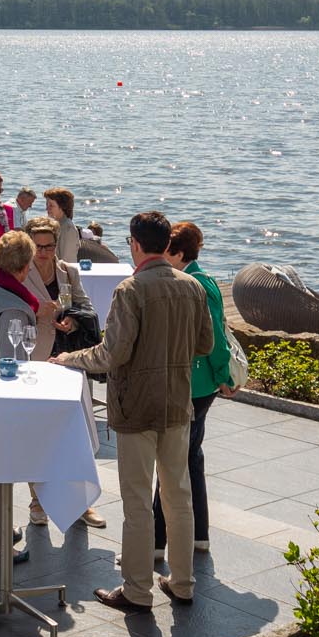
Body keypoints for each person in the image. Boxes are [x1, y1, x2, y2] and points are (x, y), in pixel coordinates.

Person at [54, 212, 213, 614]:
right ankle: (183, 581)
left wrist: (69, 358)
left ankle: (138, 588)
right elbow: (206, 345)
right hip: (177, 402)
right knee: (179, 496)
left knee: (138, 501)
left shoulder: (130, 290)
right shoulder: (192, 287)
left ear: (135, 244)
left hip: (136, 405)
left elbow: (113, 354)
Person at [0, 230, 61, 565]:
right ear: (24, 269)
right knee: (1, 470)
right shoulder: (14, 309)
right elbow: (12, 364)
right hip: (1, 401)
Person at [24, 217, 106, 530]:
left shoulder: (68, 271)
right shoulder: (21, 269)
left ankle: (80, 502)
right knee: (39, 433)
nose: (43, 252)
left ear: (57, 244)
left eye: (48, 245)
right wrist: (37, 312)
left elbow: (87, 308)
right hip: (36, 357)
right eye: (38, 246)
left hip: (68, 358)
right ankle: (37, 500)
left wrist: (72, 320)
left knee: (76, 432)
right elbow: (12, 310)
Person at [162, 220, 234, 557]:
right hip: (199, 383)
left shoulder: (198, 285)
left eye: (165, 251)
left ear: (177, 253)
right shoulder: (198, 280)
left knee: (174, 460)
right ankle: (197, 536)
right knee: (189, 457)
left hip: (197, 382)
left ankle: (157, 541)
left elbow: (216, 336)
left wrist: (224, 375)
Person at [42, 188, 81, 264]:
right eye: (46, 204)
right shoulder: (55, 225)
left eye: (51, 205)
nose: (47, 208)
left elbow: (67, 261)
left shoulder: (68, 229)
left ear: (62, 207)